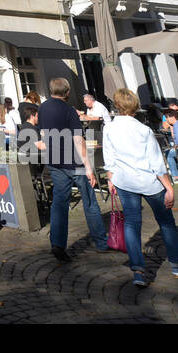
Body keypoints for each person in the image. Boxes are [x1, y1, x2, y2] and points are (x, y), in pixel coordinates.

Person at [102, 88, 178, 287]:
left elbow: (109, 157)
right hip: (148, 182)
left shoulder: (109, 128)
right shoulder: (143, 130)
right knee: (166, 222)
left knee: (131, 223)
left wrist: (111, 179)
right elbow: (156, 162)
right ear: (135, 107)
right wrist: (169, 187)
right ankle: (177, 265)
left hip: (124, 181)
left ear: (117, 106)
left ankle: (138, 271)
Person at [39, 77, 110, 262]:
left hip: (55, 162)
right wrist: (89, 168)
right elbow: (78, 140)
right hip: (75, 163)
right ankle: (101, 242)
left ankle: (57, 244)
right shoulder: (69, 111)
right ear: (67, 92)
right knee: (89, 202)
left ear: (51, 90)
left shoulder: (43, 108)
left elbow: (44, 135)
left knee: (60, 204)